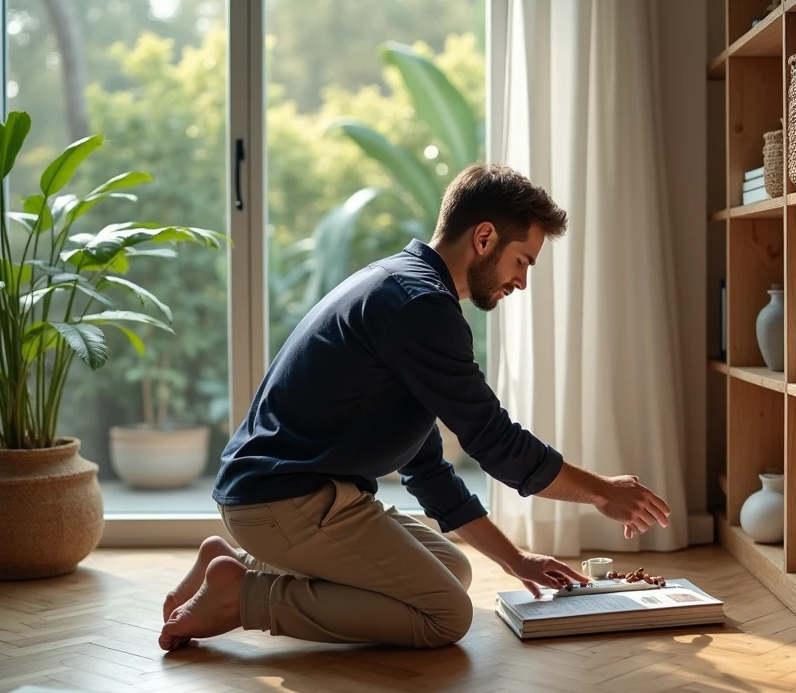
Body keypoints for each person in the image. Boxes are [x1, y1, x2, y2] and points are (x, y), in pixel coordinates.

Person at [158, 163, 672, 651]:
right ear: (485, 237)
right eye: (523, 261)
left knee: (455, 572)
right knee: (444, 615)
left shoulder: (401, 286)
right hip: (283, 504)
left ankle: (233, 563)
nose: (521, 281)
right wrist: (602, 492)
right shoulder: (420, 306)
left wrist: (515, 561)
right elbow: (494, 442)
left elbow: (425, 468)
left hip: (297, 497)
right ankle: (242, 596)